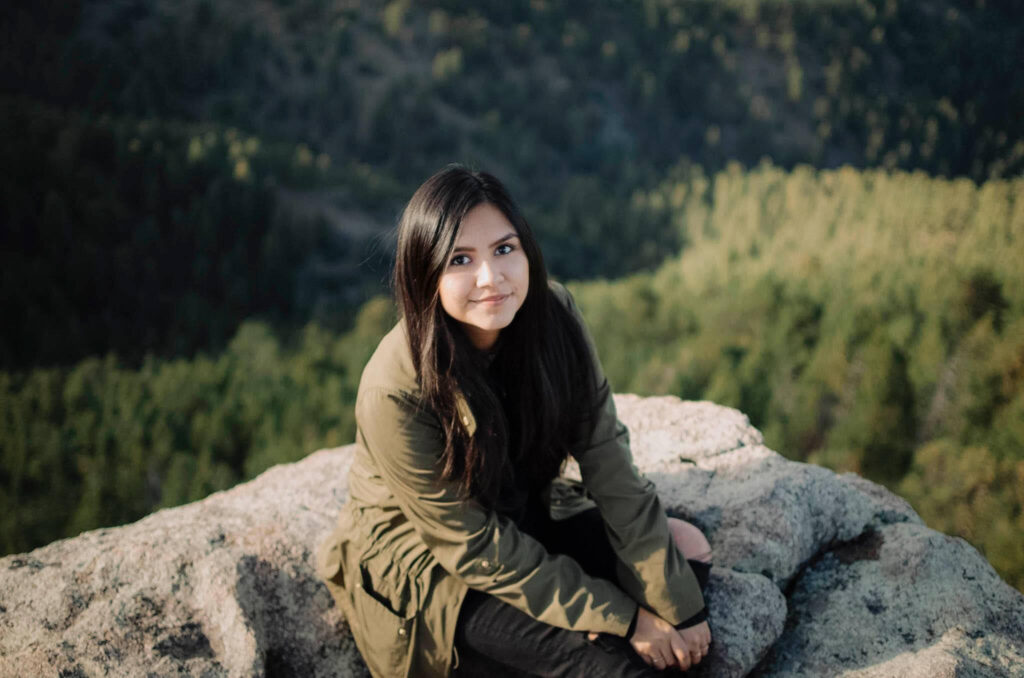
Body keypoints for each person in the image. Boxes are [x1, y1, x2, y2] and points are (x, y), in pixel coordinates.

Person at [316, 165, 713, 677]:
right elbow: (472, 546)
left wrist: (677, 606)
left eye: (504, 249)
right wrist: (623, 617)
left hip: (524, 512)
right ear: (426, 276)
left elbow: (607, 458)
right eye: (461, 259)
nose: (491, 278)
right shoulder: (394, 390)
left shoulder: (556, 317)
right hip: (439, 568)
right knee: (614, 666)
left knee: (687, 550)